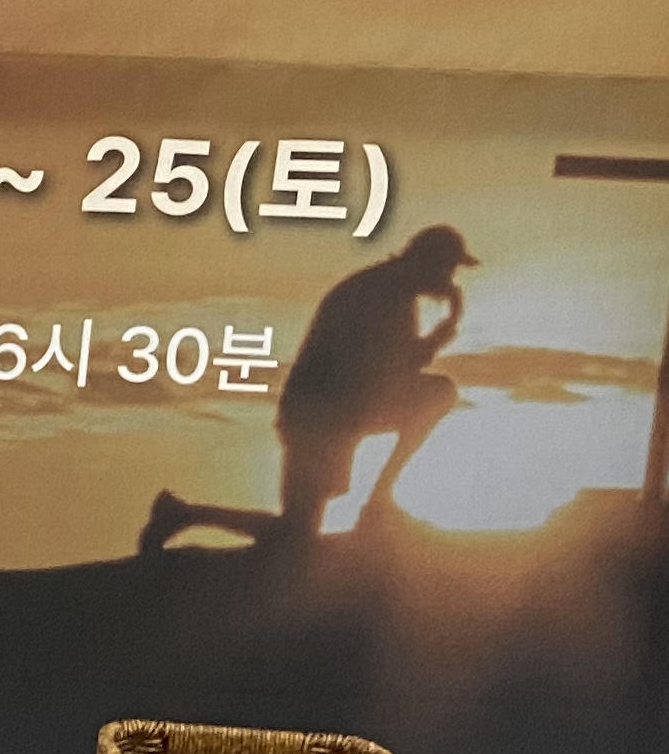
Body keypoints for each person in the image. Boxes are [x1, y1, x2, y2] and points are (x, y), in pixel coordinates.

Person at [140, 224, 482, 554]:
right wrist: (440, 335)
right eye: (449, 268)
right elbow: (387, 371)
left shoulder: (395, 291)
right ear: (429, 262)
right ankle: (184, 514)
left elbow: (389, 372)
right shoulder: (381, 293)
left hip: (340, 414)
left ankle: (185, 514)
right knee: (296, 536)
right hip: (319, 418)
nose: (451, 279)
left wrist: (438, 334)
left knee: (296, 536)